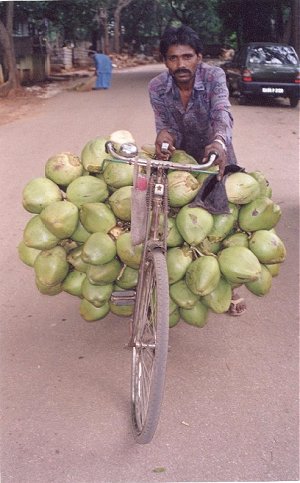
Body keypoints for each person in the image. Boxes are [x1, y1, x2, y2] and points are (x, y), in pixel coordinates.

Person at [148, 25, 246, 316]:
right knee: (178, 217)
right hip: (181, 159)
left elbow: (222, 112)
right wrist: (165, 137)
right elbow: (164, 124)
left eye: (187, 57)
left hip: (215, 153)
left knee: (221, 221)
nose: (181, 64)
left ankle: (228, 286)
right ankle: (174, 281)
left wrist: (218, 140)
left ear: (199, 57)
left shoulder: (214, 76)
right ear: (165, 60)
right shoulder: (156, 87)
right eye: (173, 58)